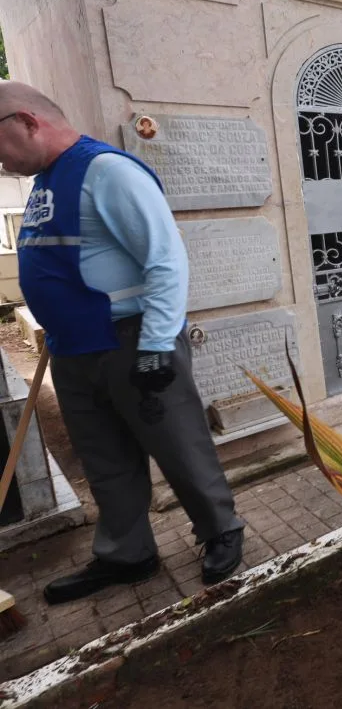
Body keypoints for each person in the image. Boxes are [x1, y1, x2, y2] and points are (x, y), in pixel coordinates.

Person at [0, 82, 244, 604]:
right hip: (74, 347)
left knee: (177, 442)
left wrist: (156, 344)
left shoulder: (107, 171)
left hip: (132, 339)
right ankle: (126, 554)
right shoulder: (47, 181)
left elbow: (165, 259)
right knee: (104, 457)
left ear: (25, 121)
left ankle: (221, 531)